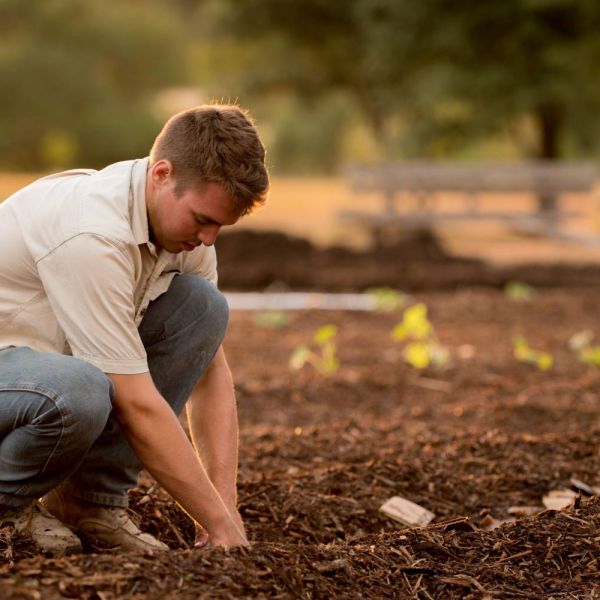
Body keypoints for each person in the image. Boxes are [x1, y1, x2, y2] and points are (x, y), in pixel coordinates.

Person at [0, 104, 269, 555]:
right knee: (79, 390)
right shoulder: (93, 234)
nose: (209, 239)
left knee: (203, 308)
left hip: (33, 374)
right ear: (162, 173)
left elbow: (209, 372)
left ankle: (88, 503)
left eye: (220, 226)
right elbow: (137, 405)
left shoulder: (184, 235)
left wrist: (223, 508)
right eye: (203, 219)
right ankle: (6, 510)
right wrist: (216, 523)